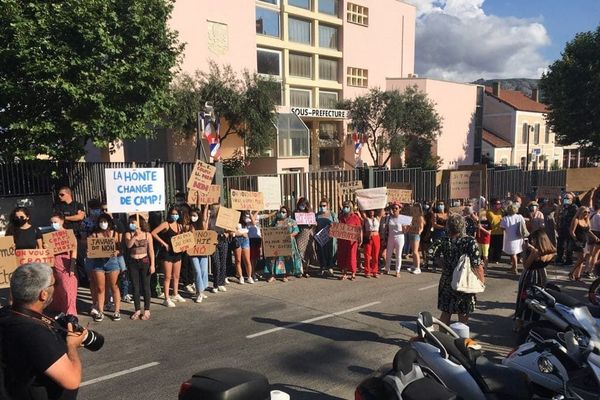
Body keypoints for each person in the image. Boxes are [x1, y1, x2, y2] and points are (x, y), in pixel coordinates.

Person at [0, 263, 86, 399]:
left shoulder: (5, 314)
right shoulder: (34, 333)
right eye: (54, 284)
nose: (56, 287)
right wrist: (72, 346)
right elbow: (72, 380)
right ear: (43, 294)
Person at [428, 214, 484, 325]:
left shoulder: (444, 240)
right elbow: (477, 264)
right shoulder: (470, 241)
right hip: (464, 280)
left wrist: (442, 264)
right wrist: (481, 281)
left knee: (446, 312)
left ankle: (442, 339)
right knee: (463, 313)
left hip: (447, 280)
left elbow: (430, 252)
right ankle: (460, 339)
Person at [514, 229, 556, 331]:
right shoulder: (551, 252)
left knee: (523, 297)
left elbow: (526, 265)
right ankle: (534, 321)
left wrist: (524, 250)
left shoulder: (534, 252)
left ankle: (520, 324)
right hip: (542, 275)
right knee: (538, 297)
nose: (532, 241)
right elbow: (543, 257)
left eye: (533, 239)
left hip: (530, 275)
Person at [88, 213, 121, 321]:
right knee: (100, 288)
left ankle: (117, 311)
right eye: (101, 221)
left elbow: (120, 247)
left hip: (112, 262)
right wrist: (89, 252)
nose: (103, 223)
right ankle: (100, 311)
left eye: (105, 221)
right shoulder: (94, 235)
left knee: (114, 287)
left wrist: (117, 251)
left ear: (109, 222)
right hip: (98, 263)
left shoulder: (114, 234)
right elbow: (89, 248)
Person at [44, 212, 78, 317]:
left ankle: (70, 313)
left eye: (55, 222)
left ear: (62, 221)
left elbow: (74, 250)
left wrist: (72, 267)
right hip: (54, 263)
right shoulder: (49, 236)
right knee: (57, 289)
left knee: (68, 288)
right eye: (51, 222)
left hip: (66, 263)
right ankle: (60, 310)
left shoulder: (68, 234)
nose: (53, 224)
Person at [151, 207, 186, 307]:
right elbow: (153, 233)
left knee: (176, 276)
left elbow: (183, 238)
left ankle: (175, 294)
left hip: (177, 253)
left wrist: (183, 246)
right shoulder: (165, 224)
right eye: (172, 214)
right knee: (167, 277)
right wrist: (164, 244)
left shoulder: (180, 225)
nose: (174, 216)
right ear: (169, 214)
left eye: (176, 214)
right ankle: (166, 298)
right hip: (167, 254)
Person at [125, 214, 155, 320]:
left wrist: (152, 264)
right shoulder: (128, 234)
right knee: (135, 287)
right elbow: (128, 245)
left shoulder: (148, 235)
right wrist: (135, 236)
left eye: (134, 222)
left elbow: (151, 250)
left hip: (145, 261)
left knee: (146, 286)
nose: (132, 224)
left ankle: (147, 310)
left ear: (139, 222)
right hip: (133, 262)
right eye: (130, 222)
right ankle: (137, 309)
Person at [265, 206, 301, 282]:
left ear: (287, 213)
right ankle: (272, 275)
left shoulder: (292, 221)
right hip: (277, 243)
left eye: (284, 212)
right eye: (281, 211)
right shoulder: (275, 221)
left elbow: (296, 231)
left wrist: (290, 235)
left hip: (288, 243)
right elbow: (269, 229)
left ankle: (285, 275)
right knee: (273, 258)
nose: (282, 213)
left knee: (286, 259)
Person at [569, 206, 599, 281]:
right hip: (578, 241)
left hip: (585, 242)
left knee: (581, 259)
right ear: (580, 212)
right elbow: (571, 231)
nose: (587, 213)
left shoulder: (587, 220)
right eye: (585, 211)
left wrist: (595, 237)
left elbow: (588, 231)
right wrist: (576, 240)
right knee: (581, 259)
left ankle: (577, 276)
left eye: (588, 212)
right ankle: (571, 272)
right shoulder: (576, 220)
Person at [188, 207, 210, 302]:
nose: (193, 217)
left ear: (198, 216)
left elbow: (208, 236)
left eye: (195, 215)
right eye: (191, 215)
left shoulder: (203, 224)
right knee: (197, 271)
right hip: (193, 252)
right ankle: (200, 293)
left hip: (203, 251)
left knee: (204, 271)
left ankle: (199, 290)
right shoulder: (188, 226)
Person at [336, 201, 362, 280]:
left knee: (352, 256)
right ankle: (344, 273)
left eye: (347, 207)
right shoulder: (341, 217)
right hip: (343, 241)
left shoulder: (355, 217)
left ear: (350, 208)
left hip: (352, 241)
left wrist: (360, 239)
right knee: (343, 256)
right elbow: (338, 227)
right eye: (344, 207)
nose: (345, 208)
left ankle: (353, 273)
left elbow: (359, 229)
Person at [294, 197, 316, 278]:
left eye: (304, 204)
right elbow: (292, 223)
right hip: (300, 234)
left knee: (308, 252)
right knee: (300, 251)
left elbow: (314, 223)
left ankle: (306, 270)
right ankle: (300, 270)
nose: (302, 206)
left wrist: (313, 223)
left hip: (308, 234)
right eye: (301, 204)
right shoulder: (296, 212)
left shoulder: (310, 212)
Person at [500, 203, 525, 274]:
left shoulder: (505, 219)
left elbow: (502, 228)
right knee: (514, 253)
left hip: (510, 238)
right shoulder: (520, 217)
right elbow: (523, 224)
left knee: (513, 253)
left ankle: (515, 269)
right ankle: (513, 267)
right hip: (518, 237)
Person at [383, 202, 408, 277]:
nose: (394, 210)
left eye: (396, 208)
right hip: (391, 237)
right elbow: (386, 228)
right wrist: (384, 237)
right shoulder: (389, 217)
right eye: (393, 208)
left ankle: (397, 271)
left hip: (399, 237)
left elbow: (405, 231)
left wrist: (405, 227)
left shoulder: (402, 218)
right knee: (388, 254)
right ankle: (387, 269)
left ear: (400, 209)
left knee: (398, 255)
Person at [208, 205, 229, 293]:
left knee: (223, 262)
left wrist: (227, 233)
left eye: (216, 207)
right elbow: (206, 229)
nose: (215, 209)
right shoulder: (210, 218)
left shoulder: (224, 217)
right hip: (213, 241)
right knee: (216, 263)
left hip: (222, 240)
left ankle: (221, 283)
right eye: (213, 208)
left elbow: (230, 229)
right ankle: (215, 284)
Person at [315, 198, 337, 276]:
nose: (322, 207)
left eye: (324, 205)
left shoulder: (332, 214)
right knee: (321, 253)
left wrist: (332, 225)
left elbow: (337, 225)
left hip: (330, 237)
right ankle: (322, 267)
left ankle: (330, 268)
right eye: (321, 206)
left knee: (330, 252)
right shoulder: (317, 215)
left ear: (328, 206)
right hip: (320, 237)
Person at [233, 211, 254, 284]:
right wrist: (241, 234)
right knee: (238, 260)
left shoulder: (246, 219)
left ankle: (249, 276)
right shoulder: (233, 219)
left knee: (247, 259)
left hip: (245, 240)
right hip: (237, 239)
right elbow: (233, 232)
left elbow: (253, 223)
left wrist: (251, 213)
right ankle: (241, 276)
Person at [556, 193, 578, 265]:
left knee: (569, 245)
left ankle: (569, 260)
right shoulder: (563, 207)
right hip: (562, 228)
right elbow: (559, 216)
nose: (566, 200)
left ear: (572, 199)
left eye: (568, 199)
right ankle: (559, 258)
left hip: (569, 229)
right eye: (565, 198)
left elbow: (575, 219)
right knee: (560, 244)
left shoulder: (574, 207)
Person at [362, 209, 381, 278]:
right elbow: (362, 210)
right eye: (370, 210)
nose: (371, 212)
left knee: (375, 255)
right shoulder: (366, 219)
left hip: (376, 237)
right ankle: (367, 271)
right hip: (368, 237)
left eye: (373, 210)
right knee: (367, 254)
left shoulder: (378, 218)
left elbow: (381, 209)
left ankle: (375, 271)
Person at [407, 204, 425, 275]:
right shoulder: (411, 216)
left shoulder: (420, 217)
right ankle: (414, 265)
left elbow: (421, 227)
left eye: (415, 209)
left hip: (415, 234)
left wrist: (419, 231)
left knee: (415, 251)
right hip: (411, 233)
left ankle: (418, 267)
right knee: (413, 251)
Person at [487, 199, 504, 263]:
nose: (499, 205)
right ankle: (490, 259)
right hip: (492, 232)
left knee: (499, 247)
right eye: (497, 204)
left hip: (500, 232)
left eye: (499, 204)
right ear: (492, 205)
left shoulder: (501, 211)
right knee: (491, 247)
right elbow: (492, 221)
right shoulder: (489, 212)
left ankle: (497, 259)